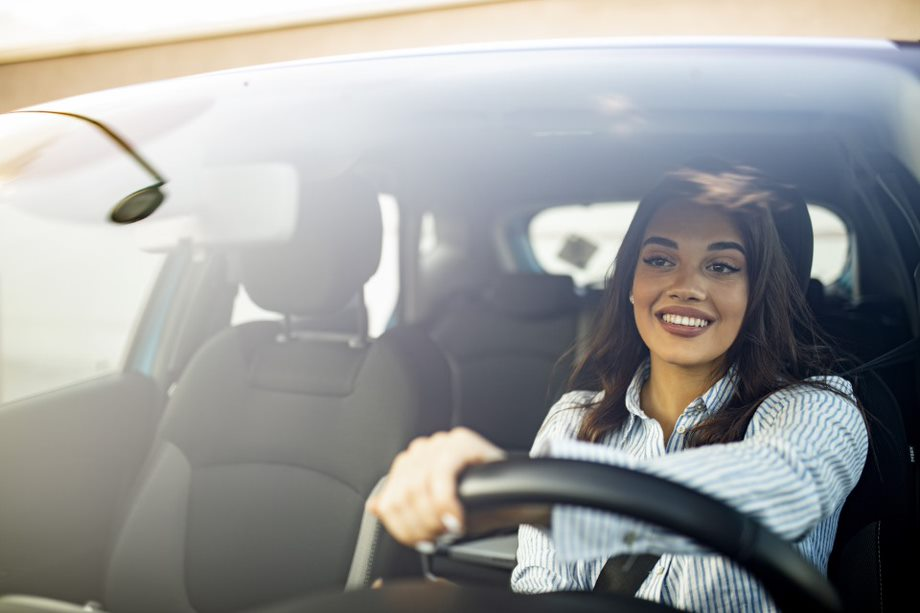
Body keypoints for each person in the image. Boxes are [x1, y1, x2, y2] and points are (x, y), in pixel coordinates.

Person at [366, 159, 868, 612]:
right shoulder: (574, 419)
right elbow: (541, 591)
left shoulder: (818, 408)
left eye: (721, 266)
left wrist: (542, 499)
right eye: (660, 259)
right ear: (630, 282)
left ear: (756, 291)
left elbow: (787, 487)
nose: (686, 287)